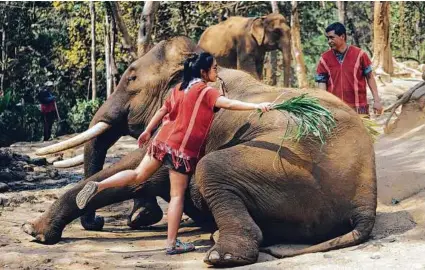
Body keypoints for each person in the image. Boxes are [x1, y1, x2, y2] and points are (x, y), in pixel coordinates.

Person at [75, 52, 273, 255]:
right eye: (214, 68)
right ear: (203, 72)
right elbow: (230, 104)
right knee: (177, 196)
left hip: (162, 141)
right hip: (182, 150)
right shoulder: (207, 92)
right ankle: (172, 244)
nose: (216, 71)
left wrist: (147, 131)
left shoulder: (179, 89)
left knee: (137, 175)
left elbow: (161, 111)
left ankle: (99, 185)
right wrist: (257, 105)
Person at [315, 22, 383, 116]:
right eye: (328, 38)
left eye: (332, 37)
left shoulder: (360, 55)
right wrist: (323, 105)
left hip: (359, 109)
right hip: (336, 110)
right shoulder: (324, 58)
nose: (329, 41)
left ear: (342, 36)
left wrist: (377, 101)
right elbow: (321, 83)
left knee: (361, 131)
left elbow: (370, 78)